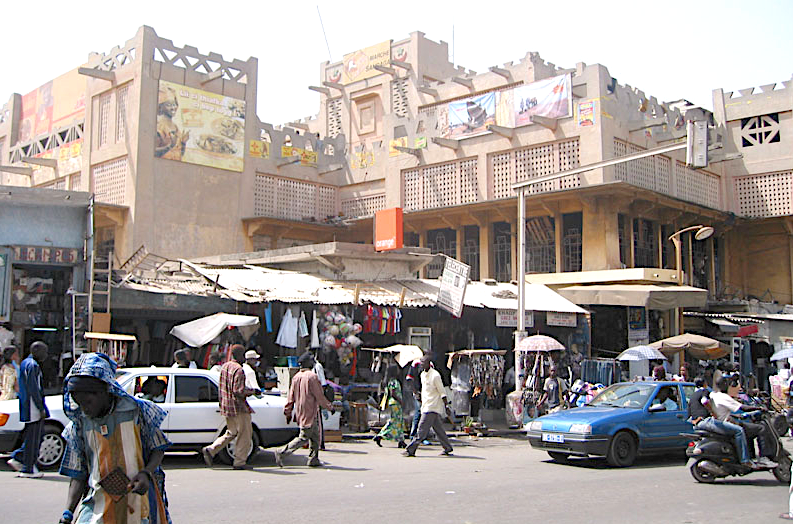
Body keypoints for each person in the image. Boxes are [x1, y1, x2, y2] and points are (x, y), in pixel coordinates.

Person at [58, 353, 171, 524]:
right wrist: (68, 512)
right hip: (98, 506)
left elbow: (158, 448)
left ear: (106, 391)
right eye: (79, 403)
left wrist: (146, 473)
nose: (85, 409)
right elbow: (78, 474)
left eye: (88, 402)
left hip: (139, 505)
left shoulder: (137, 412)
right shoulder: (79, 425)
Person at [201, 344, 259, 470]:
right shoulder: (239, 370)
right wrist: (253, 391)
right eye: (243, 355)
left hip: (227, 406)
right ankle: (240, 462)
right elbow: (238, 391)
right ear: (239, 355)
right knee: (244, 434)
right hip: (238, 407)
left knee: (231, 432)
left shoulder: (225, 366)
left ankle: (211, 449)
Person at [274, 352, 335, 467]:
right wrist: (329, 407)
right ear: (308, 363)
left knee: (315, 437)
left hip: (301, 411)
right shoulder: (312, 377)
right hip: (310, 411)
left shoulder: (296, 377)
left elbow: (290, 397)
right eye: (311, 361)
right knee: (304, 437)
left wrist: (288, 411)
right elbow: (319, 396)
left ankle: (313, 459)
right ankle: (281, 453)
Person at [687, 377, 756, 469]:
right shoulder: (705, 391)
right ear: (704, 384)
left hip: (697, 425)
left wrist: (695, 421)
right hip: (706, 421)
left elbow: (689, 416)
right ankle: (745, 460)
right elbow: (704, 401)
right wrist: (712, 412)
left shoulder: (692, 396)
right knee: (739, 431)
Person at [710, 376, 777, 468]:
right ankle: (763, 458)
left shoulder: (714, 395)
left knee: (749, 429)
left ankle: (751, 455)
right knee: (761, 428)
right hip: (727, 425)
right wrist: (759, 408)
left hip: (722, 423)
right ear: (725, 384)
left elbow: (721, 411)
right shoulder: (723, 397)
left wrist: (736, 416)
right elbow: (743, 407)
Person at [7, 341, 49, 478]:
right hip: (32, 408)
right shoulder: (33, 366)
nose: (46, 355)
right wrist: (41, 407)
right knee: (34, 437)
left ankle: (19, 457)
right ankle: (28, 468)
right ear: (37, 351)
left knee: (36, 435)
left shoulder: (26, 363)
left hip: (28, 405)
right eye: (44, 352)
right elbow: (35, 389)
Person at [403, 354, 453, 457]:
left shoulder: (435, 375)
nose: (421, 365)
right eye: (420, 363)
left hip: (432, 407)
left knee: (421, 429)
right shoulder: (422, 375)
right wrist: (419, 396)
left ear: (429, 364)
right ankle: (448, 447)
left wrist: (446, 406)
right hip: (425, 405)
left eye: (423, 363)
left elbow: (442, 392)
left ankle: (411, 449)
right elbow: (425, 390)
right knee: (438, 430)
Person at [374, 365, 407, 448]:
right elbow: (393, 393)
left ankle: (401, 440)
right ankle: (380, 435)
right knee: (394, 421)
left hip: (394, 403)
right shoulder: (394, 381)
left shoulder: (390, 381)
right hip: (396, 403)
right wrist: (401, 401)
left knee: (399, 422)